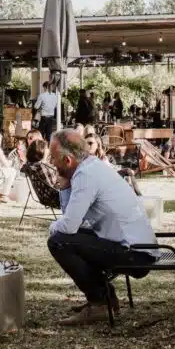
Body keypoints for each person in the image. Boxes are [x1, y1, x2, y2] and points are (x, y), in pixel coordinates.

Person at [46, 129, 158, 325]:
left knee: (58, 242)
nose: (51, 162)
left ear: (67, 160)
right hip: (138, 248)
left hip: (136, 254)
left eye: (53, 157)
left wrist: (52, 227)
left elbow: (68, 226)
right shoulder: (92, 167)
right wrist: (64, 187)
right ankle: (105, 298)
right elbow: (73, 222)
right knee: (68, 238)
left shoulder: (85, 175)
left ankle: (99, 302)